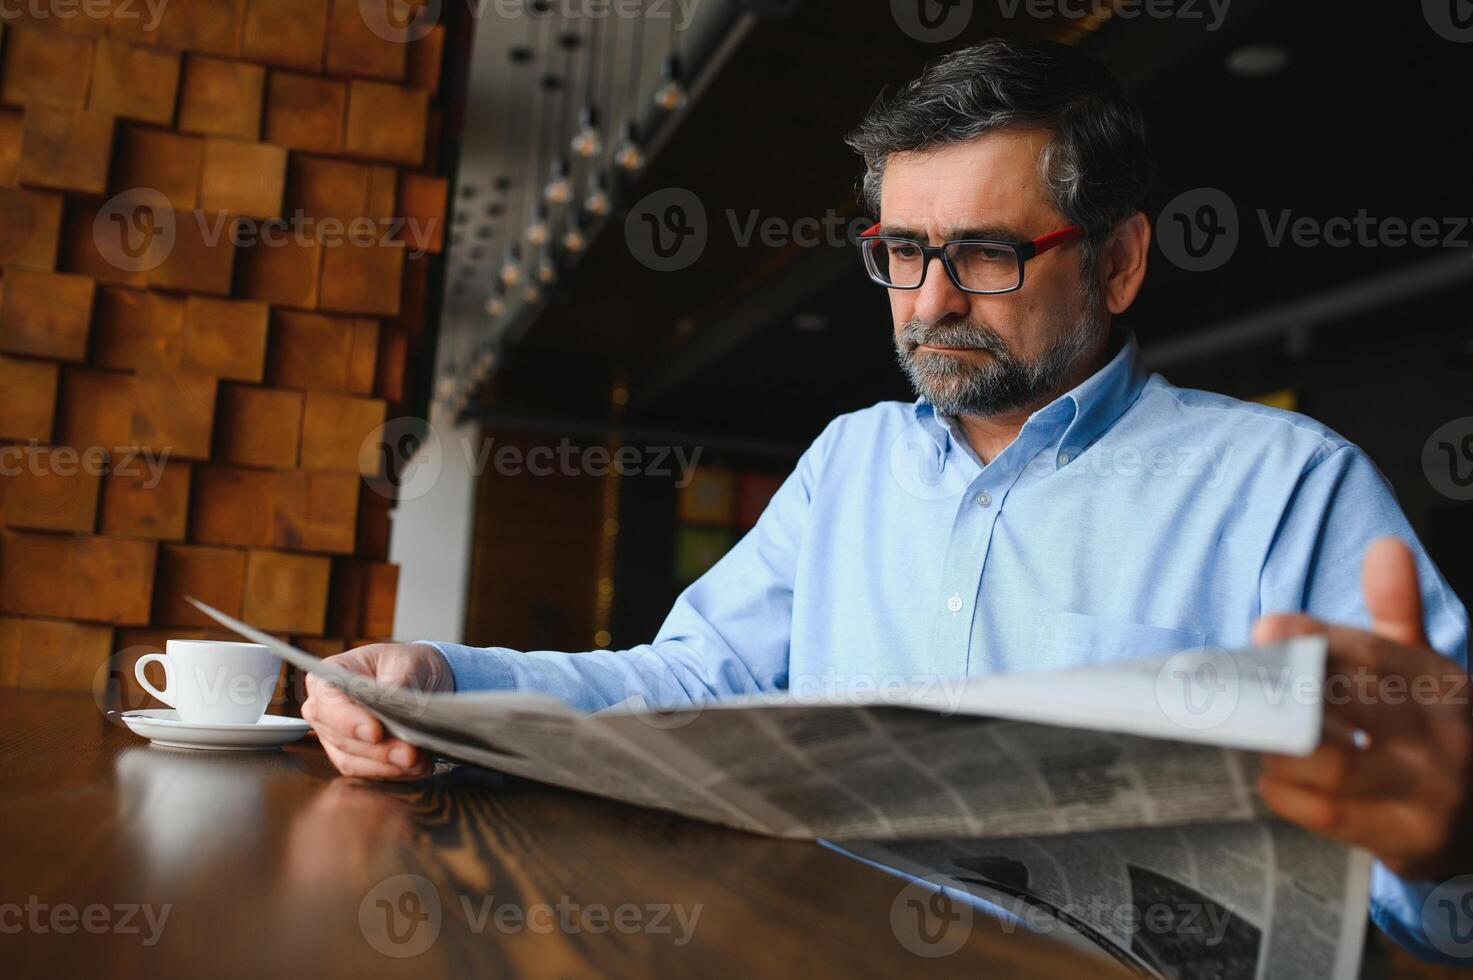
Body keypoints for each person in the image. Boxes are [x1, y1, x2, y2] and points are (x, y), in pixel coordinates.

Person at [302, 39, 1473, 961]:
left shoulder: (1289, 488)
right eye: (902, 251)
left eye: (986, 254)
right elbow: (687, 684)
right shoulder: (848, 463)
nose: (930, 299)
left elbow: (1430, 861)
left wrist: (1449, 838)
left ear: (1117, 261)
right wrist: (443, 686)